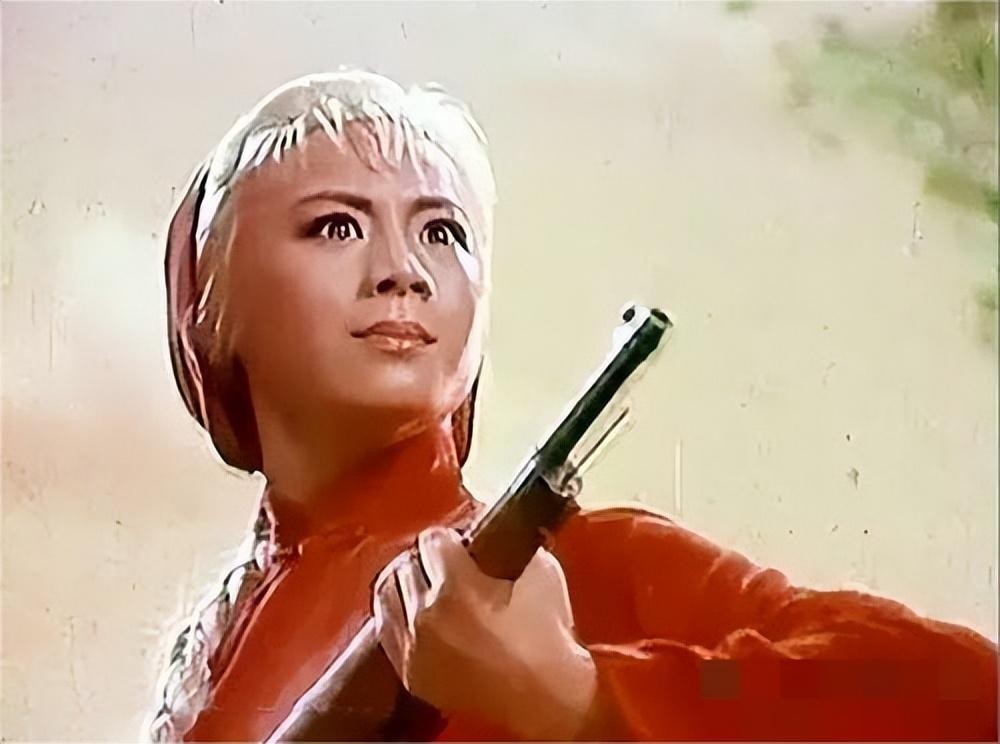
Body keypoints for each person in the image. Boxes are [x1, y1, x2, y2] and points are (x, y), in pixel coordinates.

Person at [147, 70, 998, 742]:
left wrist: (576, 698)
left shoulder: (578, 570)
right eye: (336, 226)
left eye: (442, 232)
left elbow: (967, 696)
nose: (403, 270)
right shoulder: (221, 648)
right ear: (209, 312)